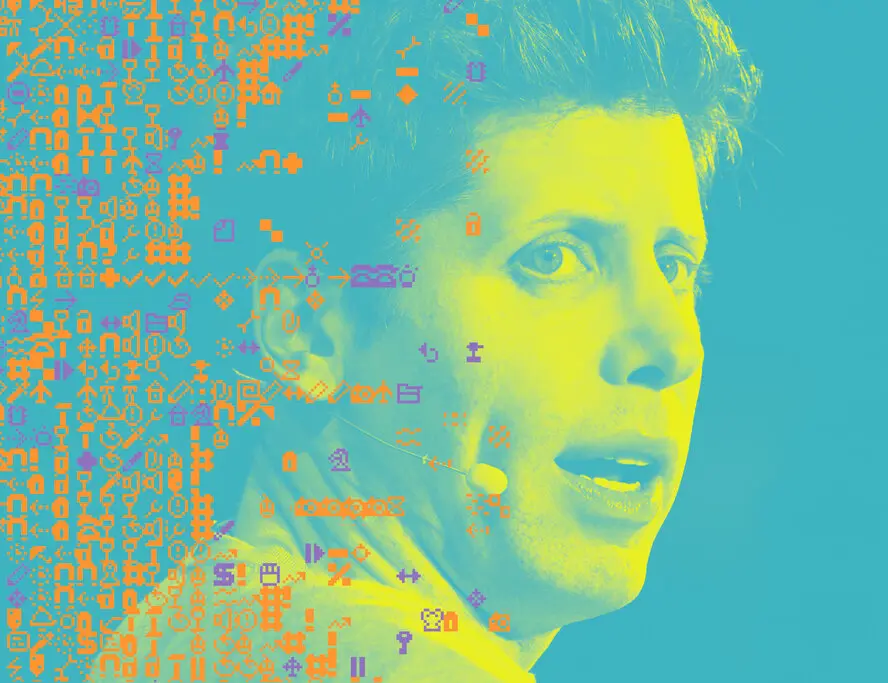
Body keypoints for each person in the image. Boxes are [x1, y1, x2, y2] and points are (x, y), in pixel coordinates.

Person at [89, 0, 760, 680]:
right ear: (307, 326)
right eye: (553, 258)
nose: (670, 347)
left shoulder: (178, 642)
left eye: (676, 268)